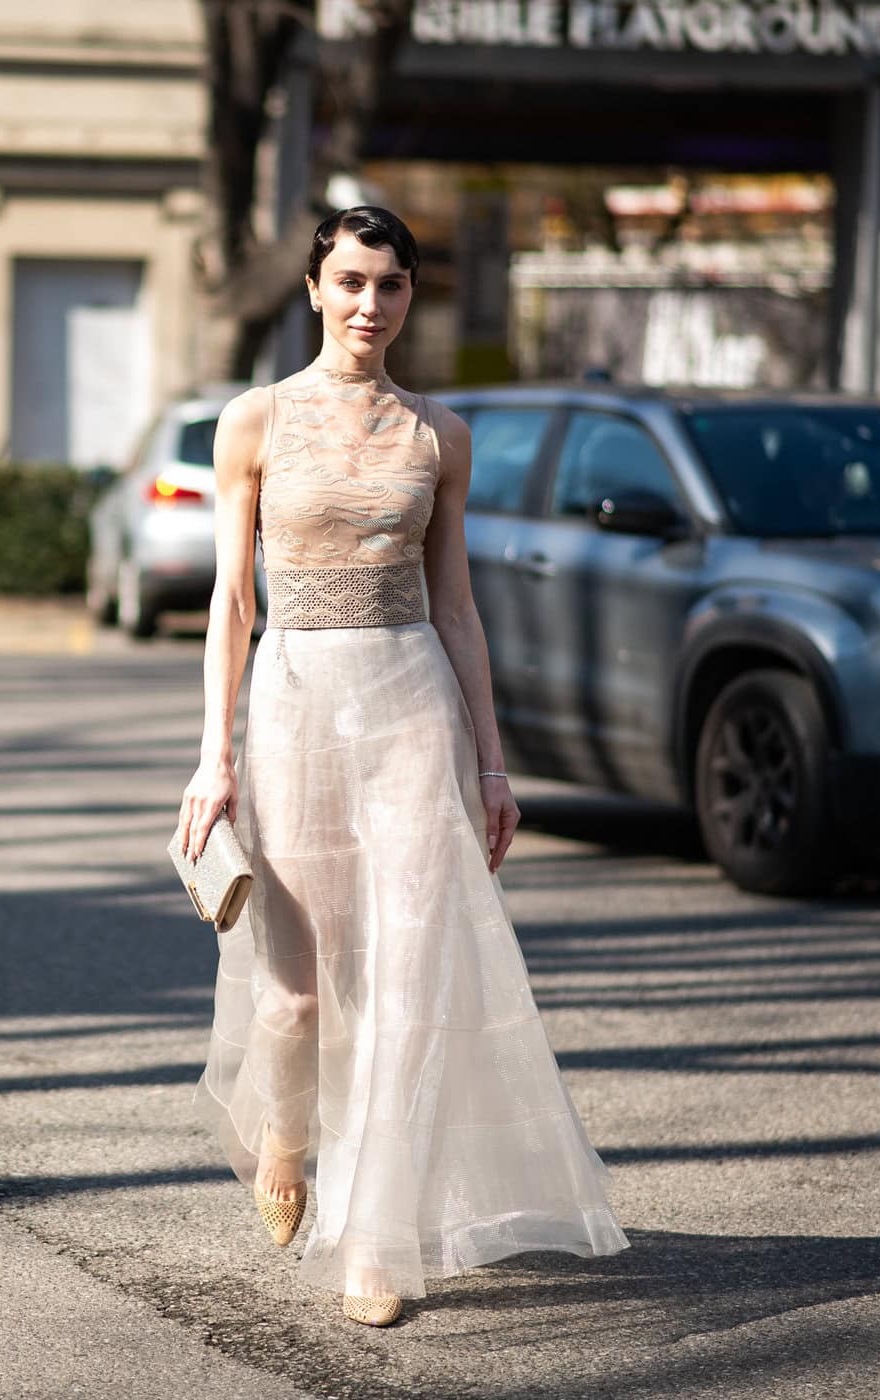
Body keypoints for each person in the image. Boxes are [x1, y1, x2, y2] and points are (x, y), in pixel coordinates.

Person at [175, 207, 629, 1328]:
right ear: (317, 291)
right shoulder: (256, 420)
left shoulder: (441, 435)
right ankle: (287, 1130)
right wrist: (210, 758)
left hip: (411, 708)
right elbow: (233, 602)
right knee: (293, 995)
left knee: (410, 987)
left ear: (411, 297)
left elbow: (460, 607)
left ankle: (373, 1239)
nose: (371, 303)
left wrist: (491, 764)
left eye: (392, 284)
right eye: (351, 280)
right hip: (293, 708)